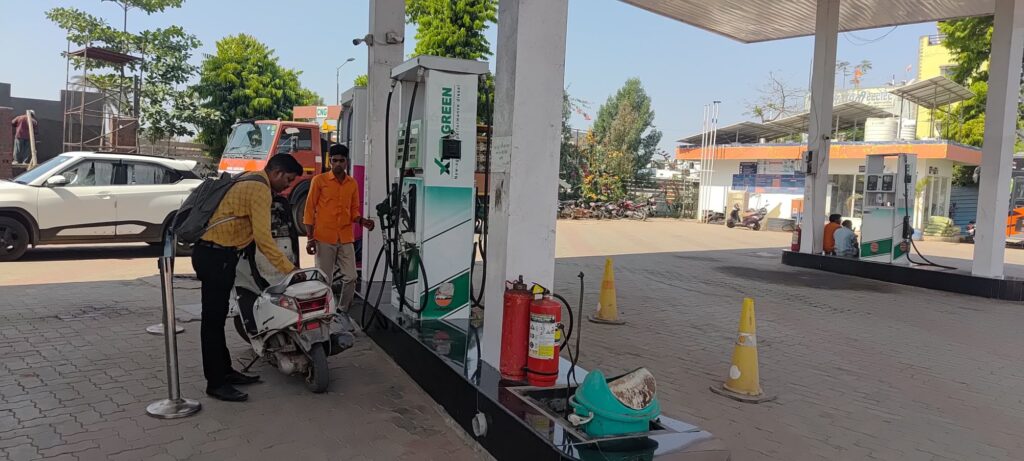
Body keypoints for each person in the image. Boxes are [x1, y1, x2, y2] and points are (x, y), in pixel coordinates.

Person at [192, 154, 302, 402]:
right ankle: (216, 383)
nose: (288, 186)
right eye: (288, 179)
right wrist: (290, 270)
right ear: (276, 173)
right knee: (212, 322)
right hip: (216, 257)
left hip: (215, 254)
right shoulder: (260, 189)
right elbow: (264, 240)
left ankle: (225, 372)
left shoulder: (249, 178)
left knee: (216, 320)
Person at [303, 144, 375, 313]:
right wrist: (309, 238)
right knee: (324, 280)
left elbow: (354, 210)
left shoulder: (352, 183)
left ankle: (342, 311)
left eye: (341, 161)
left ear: (346, 162)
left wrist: (362, 220)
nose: (337, 164)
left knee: (351, 277)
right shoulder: (319, 181)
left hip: (345, 237)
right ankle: (323, 312)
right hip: (323, 237)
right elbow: (309, 210)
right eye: (334, 160)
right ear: (329, 161)